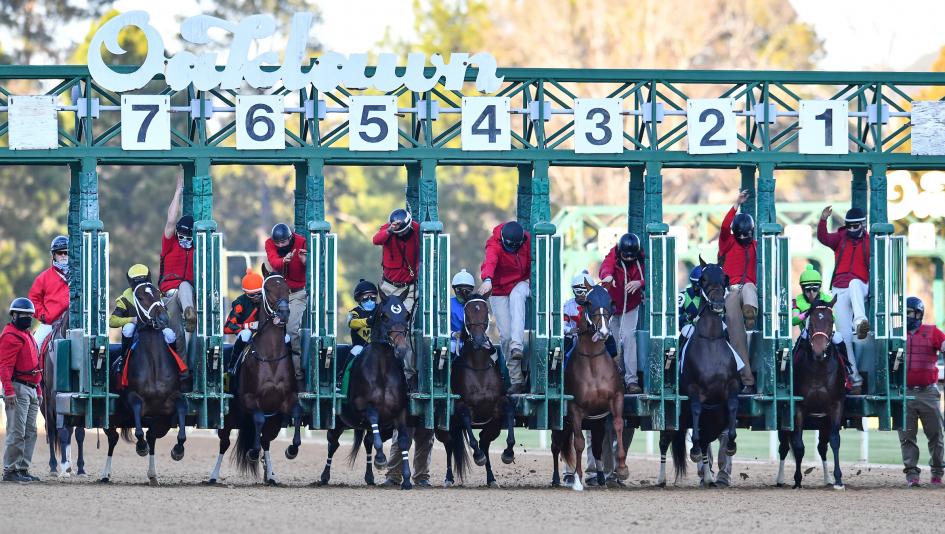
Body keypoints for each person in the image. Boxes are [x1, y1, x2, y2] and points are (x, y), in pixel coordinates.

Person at [817, 205, 869, 394]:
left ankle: (860, 322)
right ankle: (855, 379)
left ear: (863, 224)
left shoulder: (870, 242)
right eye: (849, 226)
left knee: (854, 284)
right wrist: (823, 220)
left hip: (861, 285)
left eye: (856, 226)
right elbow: (823, 238)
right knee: (844, 336)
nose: (852, 230)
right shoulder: (841, 237)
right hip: (839, 288)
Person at [372, 208, 420, 392]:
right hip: (388, 287)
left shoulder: (418, 229)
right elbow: (376, 240)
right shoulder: (388, 229)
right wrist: (390, 230)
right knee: (382, 326)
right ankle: (378, 370)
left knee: (406, 329)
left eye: (403, 231)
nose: (400, 234)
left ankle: (409, 375)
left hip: (408, 289)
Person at [479, 221, 531, 394]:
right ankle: (517, 380)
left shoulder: (528, 240)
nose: (512, 249)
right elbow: (490, 262)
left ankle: (518, 346)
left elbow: (538, 259)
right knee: (506, 336)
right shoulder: (494, 244)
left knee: (517, 295)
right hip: (499, 289)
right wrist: (487, 279)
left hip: (522, 282)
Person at [898, 297, 944, 487]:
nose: (906, 316)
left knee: (936, 435)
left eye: (909, 312)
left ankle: (937, 472)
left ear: (918, 314)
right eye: (904, 313)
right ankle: (912, 475)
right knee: (907, 437)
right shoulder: (897, 334)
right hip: (904, 394)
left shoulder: (932, 332)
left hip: (928, 393)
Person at [108, 265, 179, 383]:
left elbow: (167, 315)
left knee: (170, 334)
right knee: (128, 329)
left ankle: (174, 365)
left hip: (155, 329)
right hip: (136, 332)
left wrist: (160, 318)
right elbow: (112, 321)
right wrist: (132, 320)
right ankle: (124, 359)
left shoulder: (155, 294)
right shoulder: (124, 298)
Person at [717, 189, 757, 394]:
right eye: (739, 234)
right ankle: (747, 381)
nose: (743, 237)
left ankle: (750, 314)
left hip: (749, 289)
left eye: (746, 234)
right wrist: (736, 204)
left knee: (749, 289)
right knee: (737, 340)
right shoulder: (728, 242)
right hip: (731, 291)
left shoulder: (757, 246)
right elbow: (724, 227)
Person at [1, 297, 42, 483]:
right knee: (17, 432)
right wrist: (9, 391)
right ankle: (10, 470)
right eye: (23, 315)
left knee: (31, 431)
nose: (28, 318)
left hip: (31, 389)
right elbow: (4, 366)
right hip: (17, 388)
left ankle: (23, 469)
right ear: (14, 316)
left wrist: (38, 391)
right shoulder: (10, 336)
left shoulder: (27, 335)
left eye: (30, 315)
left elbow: (36, 365)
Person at [599, 233, 645, 394]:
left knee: (628, 337)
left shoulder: (643, 258)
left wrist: (640, 283)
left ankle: (632, 381)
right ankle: (616, 378)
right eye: (626, 256)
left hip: (630, 307)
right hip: (612, 307)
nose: (629, 259)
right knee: (613, 341)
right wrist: (607, 276)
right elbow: (606, 267)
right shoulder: (614, 253)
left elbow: (654, 274)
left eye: (632, 256)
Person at [264, 223, 308, 389]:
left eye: (284, 242)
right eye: (278, 243)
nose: (281, 245)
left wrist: (306, 261)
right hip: (279, 293)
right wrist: (283, 260)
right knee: (268, 327)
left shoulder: (302, 242)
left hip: (298, 293)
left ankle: (298, 374)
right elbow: (274, 262)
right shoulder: (269, 243)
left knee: (291, 330)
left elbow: (317, 263)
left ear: (291, 238)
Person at [161, 176, 196, 355]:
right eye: (180, 234)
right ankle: (181, 366)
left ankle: (190, 313)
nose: (183, 239)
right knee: (177, 335)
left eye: (187, 236)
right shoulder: (170, 243)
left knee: (185, 285)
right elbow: (171, 220)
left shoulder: (197, 249)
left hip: (187, 294)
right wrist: (177, 192)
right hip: (169, 294)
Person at [29, 235, 69, 347]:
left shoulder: (80, 276)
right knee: (34, 346)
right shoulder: (43, 277)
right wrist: (44, 316)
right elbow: (33, 300)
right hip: (50, 324)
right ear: (54, 255)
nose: (63, 255)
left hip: (77, 323)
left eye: (66, 252)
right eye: (60, 253)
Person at [222, 269, 264, 374]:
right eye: (252, 295)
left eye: (259, 293)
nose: (257, 297)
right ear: (245, 293)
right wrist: (248, 326)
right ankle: (232, 366)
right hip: (247, 333)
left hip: (264, 331)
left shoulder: (267, 299)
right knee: (246, 334)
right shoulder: (240, 303)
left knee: (286, 337)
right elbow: (227, 328)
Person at [449, 269, 476, 357]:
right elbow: (442, 327)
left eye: (467, 290)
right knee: (451, 347)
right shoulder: (448, 303)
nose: (463, 293)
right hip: (453, 340)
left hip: (472, 341)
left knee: (490, 348)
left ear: (471, 290)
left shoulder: (475, 304)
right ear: (454, 289)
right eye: (459, 290)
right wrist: (454, 334)